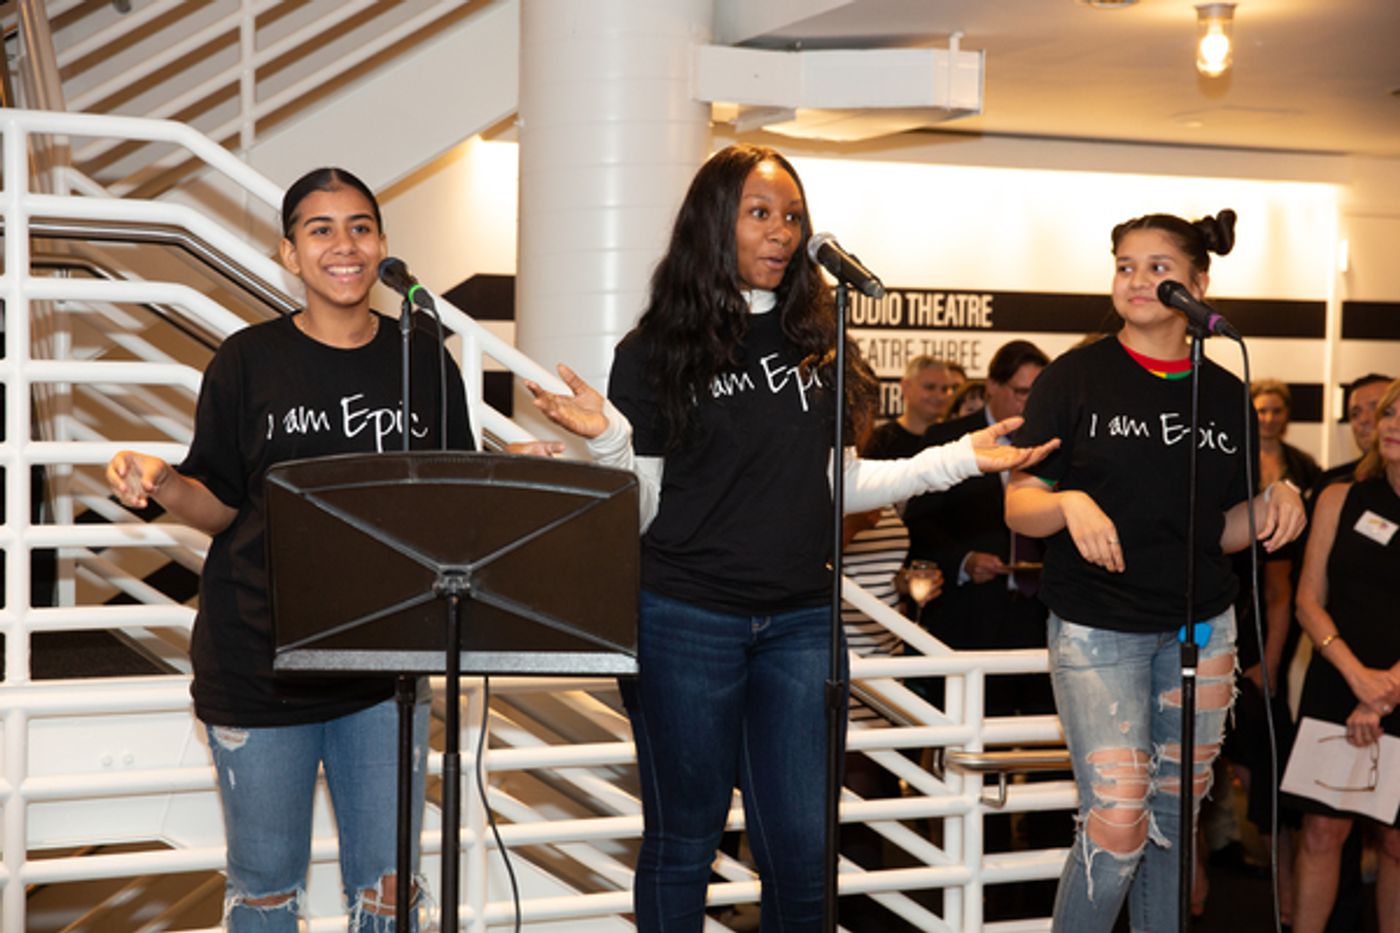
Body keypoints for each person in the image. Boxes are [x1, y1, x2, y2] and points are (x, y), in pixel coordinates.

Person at [523, 143, 1058, 931]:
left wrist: (953, 459)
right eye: (760, 214)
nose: (780, 233)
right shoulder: (655, 350)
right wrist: (607, 442)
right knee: (684, 842)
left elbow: (833, 484)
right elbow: (641, 509)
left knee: (803, 853)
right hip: (685, 617)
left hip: (803, 621)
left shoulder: (820, 342)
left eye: (793, 217)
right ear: (715, 223)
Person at [106, 167, 476, 931]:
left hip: (383, 673)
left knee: (389, 891)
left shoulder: (424, 358)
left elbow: (455, 503)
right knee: (267, 888)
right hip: (259, 664)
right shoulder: (247, 361)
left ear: (382, 246)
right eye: (320, 229)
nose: (345, 244)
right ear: (288, 252)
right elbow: (218, 506)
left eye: (361, 227)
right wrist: (164, 479)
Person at [1004, 209, 1307, 932]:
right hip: (1096, 625)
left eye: (1159, 267)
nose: (1138, 280)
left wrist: (1276, 502)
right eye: (1125, 265)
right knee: (1117, 818)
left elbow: (1222, 528)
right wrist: (1069, 501)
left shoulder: (1226, 390)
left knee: (1173, 821)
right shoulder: (1074, 377)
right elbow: (1020, 504)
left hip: (1201, 626)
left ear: (1198, 284)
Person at [1289, 377, 1400, 933]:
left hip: (1399, 689)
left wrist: (1384, 693)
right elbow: (1308, 600)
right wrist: (1358, 678)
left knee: (1397, 842)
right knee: (1321, 832)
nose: (1392, 425)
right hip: (1337, 680)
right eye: (1388, 414)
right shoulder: (1339, 496)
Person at [863, 356, 966, 459]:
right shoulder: (878, 441)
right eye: (930, 387)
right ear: (906, 387)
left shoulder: (957, 441)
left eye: (945, 389)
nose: (939, 396)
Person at [1253, 379, 1321, 493]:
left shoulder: (1303, 463)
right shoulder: (1236, 461)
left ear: (1287, 413)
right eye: (1262, 411)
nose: (1269, 419)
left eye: (1277, 411)